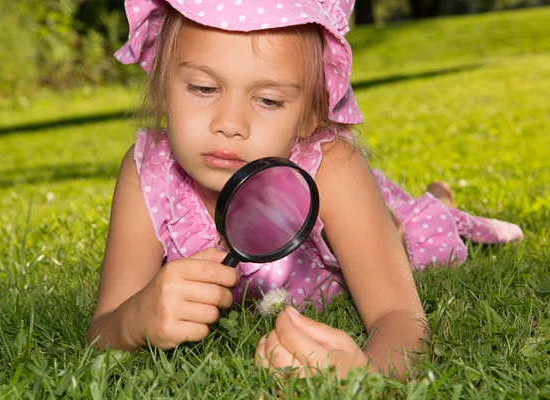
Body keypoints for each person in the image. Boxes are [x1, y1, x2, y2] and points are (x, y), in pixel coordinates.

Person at [87, 0, 523, 379]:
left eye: (269, 100)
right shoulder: (147, 170)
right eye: (203, 88)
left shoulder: (332, 168)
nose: (230, 124)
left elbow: (400, 316)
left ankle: (437, 201)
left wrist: (368, 376)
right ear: (163, 85)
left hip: (360, 208)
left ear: (312, 112)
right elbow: (103, 329)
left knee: (415, 231)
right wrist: (133, 320)